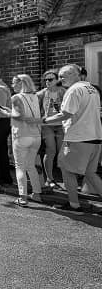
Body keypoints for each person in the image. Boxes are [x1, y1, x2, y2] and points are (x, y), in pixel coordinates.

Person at [42, 64, 102, 211]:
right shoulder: (92, 88)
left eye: (63, 76)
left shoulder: (73, 90)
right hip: (95, 137)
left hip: (77, 137)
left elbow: (66, 113)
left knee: (66, 170)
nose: (60, 79)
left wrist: (44, 121)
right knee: (90, 173)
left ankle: (74, 205)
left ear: (74, 74)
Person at [0, 74, 43, 206]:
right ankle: (36, 194)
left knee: (20, 167)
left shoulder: (16, 97)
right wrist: (11, 111)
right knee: (31, 166)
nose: (12, 85)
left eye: (14, 83)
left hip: (22, 135)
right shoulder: (35, 96)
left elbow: (19, 116)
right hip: (36, 135)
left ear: (20, 83)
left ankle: (23, 198)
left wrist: (6, 113)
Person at [36, 70, 66, 189]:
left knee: (62, 152)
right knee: (51, 151)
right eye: (46, 80)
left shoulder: (64, 92)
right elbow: (35, 109)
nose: (47, 82)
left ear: (57, 79)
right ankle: (50, 179)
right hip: (47, 125)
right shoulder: (41, 93)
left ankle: (66, 179)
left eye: (50, 79)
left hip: (61, 125)